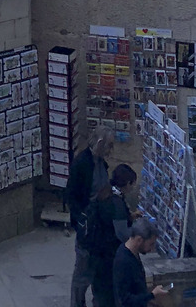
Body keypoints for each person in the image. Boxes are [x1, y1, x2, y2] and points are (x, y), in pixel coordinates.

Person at [67, 131, 116, 307]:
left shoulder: (100, 163)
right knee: (82, 272)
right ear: (100, 142)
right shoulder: (82, 164)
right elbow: (72, 196)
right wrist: (81, 221)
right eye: (109, 145)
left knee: (98, 269)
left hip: (100, 227)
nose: (111, 150)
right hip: (88, 226)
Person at [84, 163, 137, 307]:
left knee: (100, 293)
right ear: (127, 183)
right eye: (132, 184)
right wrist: (138, 232)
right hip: (108, 256)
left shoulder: (106, 193)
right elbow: (122, 234)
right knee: (108, 295)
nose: (132, 188)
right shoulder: (117, 204)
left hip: (98, 253)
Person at [113, 217, 172, 307]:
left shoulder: (134, 254)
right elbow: (125, 299)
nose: (151, 249)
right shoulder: (123, 261)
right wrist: (151, 295)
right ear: (139, 240)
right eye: (151, 244)